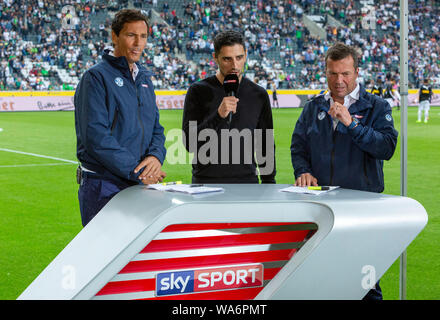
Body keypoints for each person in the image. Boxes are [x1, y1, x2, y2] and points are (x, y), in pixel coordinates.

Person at [290, 42, 398, 300]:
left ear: (357, 72)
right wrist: (303, 170)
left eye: (345, 73)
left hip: (362, 210)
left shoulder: (376, 106)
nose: (339, 80)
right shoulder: (313, 107)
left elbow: (386, 148)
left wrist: (351, 123)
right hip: (320, 208)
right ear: (325, 72)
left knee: (366, 284)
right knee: (320, 279)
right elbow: (298, 146)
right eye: (333, 73)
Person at [74, 9, 167, 227]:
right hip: (104, 185)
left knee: (136, 256)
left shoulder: (144, 78)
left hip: (138, 183)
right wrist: (140, 171)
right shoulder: (95, 77)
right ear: (114, 36)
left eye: (143, 36)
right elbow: (96, 137)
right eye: (130, 35)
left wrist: (155, 157)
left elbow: (156, 128)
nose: (138, 43)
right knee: (103, 254)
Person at [182, 30, 276, 184]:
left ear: (245, 55)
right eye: (227, 59)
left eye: (239, 57)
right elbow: (189, 144)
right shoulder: (197, 91)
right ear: (215, 58)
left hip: (247, 184)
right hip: (205, 184)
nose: (234, 65)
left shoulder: (258, 94)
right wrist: (218, 116)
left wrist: (269, 183)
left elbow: (265, 146)